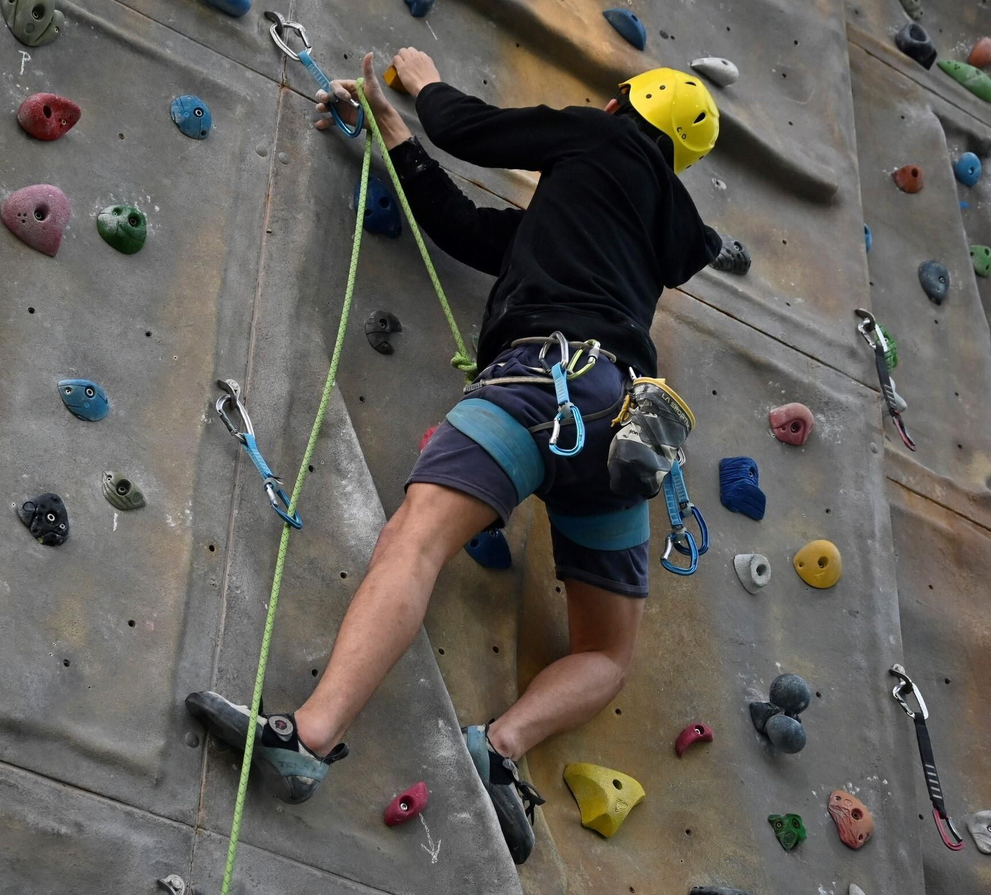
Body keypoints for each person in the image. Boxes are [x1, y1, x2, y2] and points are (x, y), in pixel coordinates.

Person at [187, 48, 724, 864]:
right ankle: (501, 748)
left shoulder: (599, 139)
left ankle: (315, 732)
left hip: (539, 382)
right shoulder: (640, 239)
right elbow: (472, 230)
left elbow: (472, 131)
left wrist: (422, 81)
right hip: (616, 421)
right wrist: (394, 136)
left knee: (418, 539)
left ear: (622, 109)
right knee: (607, 653)